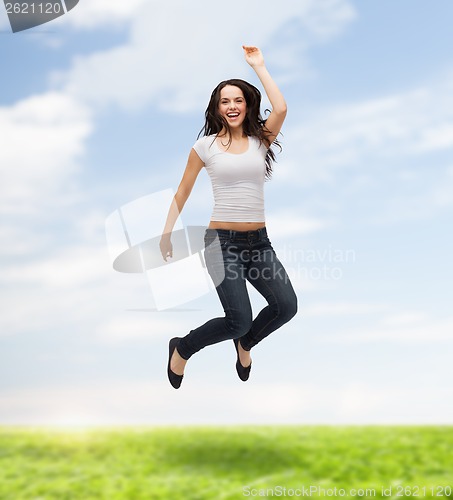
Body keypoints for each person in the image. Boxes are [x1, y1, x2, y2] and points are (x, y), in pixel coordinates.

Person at [160, 45, 298, 389]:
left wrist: (259, 65)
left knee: (285, 306)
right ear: (217, 108)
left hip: (259, 242)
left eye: (238, 100)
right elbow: (182, 191)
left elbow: (280, 107)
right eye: (225, 101)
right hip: (221, 243)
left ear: (247, 104)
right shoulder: (205, 146)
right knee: (238, 319)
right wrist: (166, 233)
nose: (232, 106)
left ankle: (245, 344)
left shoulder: (260, 139)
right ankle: (182, 347)